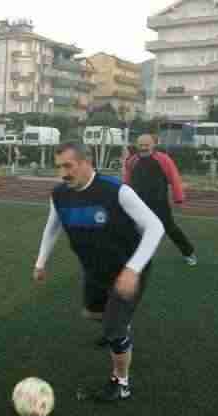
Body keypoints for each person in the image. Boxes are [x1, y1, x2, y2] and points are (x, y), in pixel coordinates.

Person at [34, 142, 164, 402]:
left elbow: (155, 227)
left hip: (128, 270)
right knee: (93, 314)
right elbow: (52, 227)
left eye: (68, 166)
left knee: (114, 330)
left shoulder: (116, 191)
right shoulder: (59, 194)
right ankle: (120, 324)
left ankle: (121, 383)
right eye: (58, 167)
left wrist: (132, 269)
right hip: (94, 270)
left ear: (86, 163)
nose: (62, 173)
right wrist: (41, 261)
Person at [124, 134, 197, 266]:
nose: (143, 148)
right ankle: (134, 257)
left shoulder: (163, 159)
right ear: (137, 146)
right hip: (138, 204)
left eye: (146, 145)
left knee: (170, 228)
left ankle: (188, 253)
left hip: (159, 203)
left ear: (153, 145)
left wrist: (178, 197)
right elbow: (127, 182)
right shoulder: (131, 161)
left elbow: (174, 178)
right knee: (131, 229)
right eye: (141, 145)